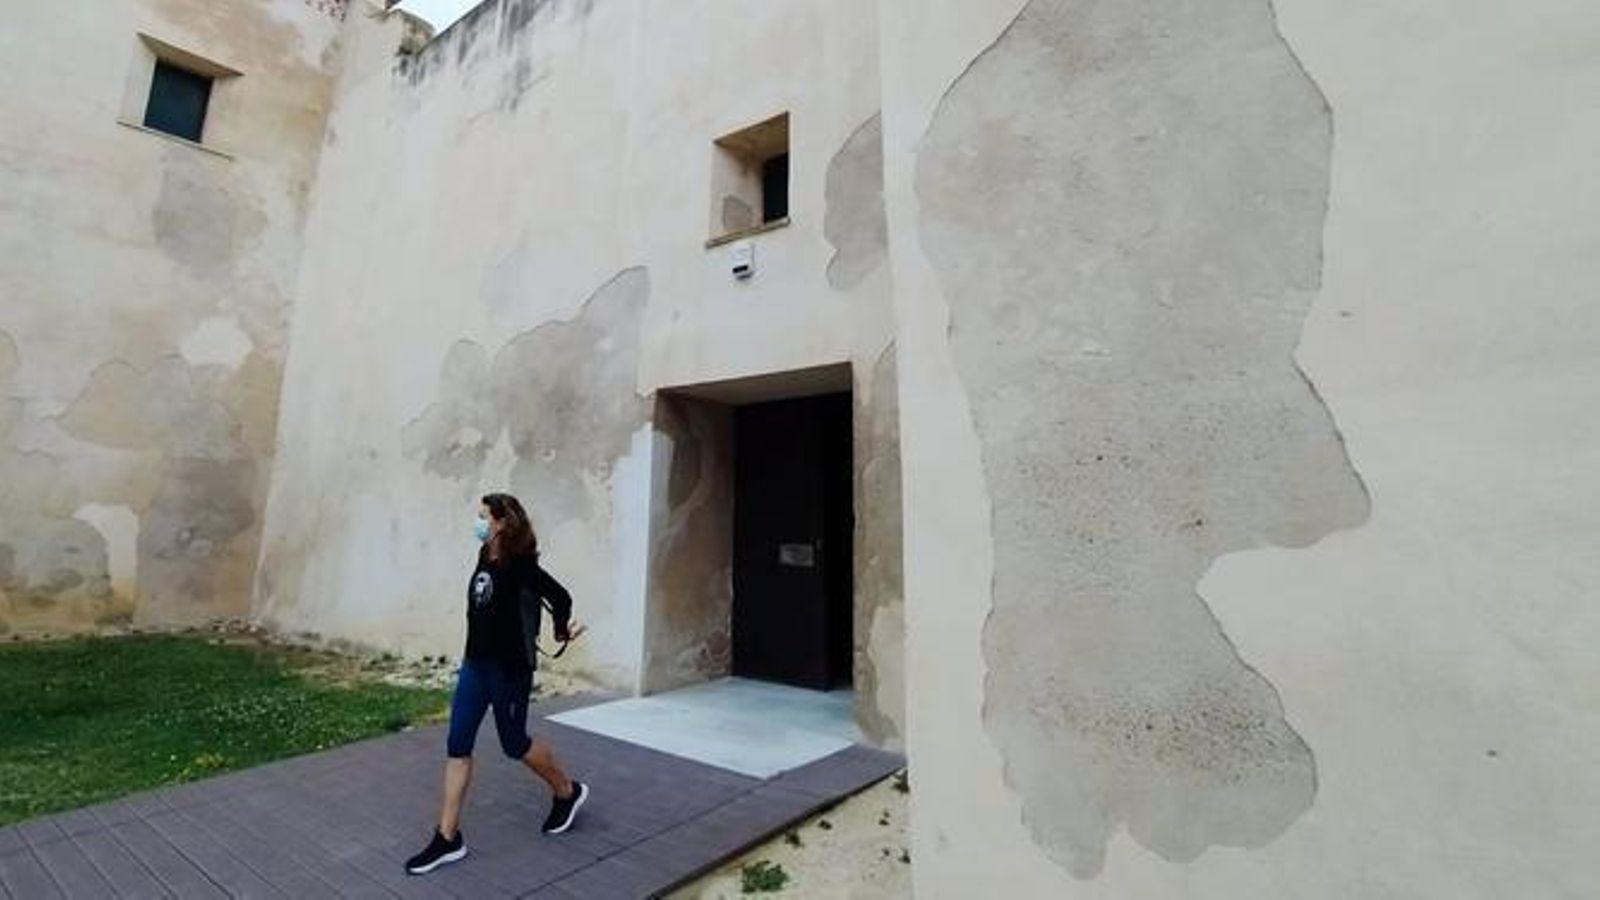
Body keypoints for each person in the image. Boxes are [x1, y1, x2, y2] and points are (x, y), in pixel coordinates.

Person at [405, 493, 590, 876]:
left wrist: (560, 630)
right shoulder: (483, 555)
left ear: (502, 522)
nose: (477, 522)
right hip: (475, 666)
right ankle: (447, 837)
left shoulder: (522, 566)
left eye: (482, 517)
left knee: (514, 744)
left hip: (509, 670)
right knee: (458, 744)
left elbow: (561, 596)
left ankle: (567, 791)